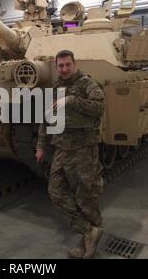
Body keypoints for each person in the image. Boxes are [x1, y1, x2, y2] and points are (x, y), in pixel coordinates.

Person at [35, 50, 105, 259]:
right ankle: (89, 231)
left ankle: (86, 245)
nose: (64, 69)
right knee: (56, 192)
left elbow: (99, 108)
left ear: (74, 64)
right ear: (56, 66)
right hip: (62, 149)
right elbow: (45, 120)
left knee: (86, 197)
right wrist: (41, 146)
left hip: (83, 149)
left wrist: (72, 100)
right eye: (61, 66)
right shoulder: (55, 88)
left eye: (68, 65)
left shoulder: (87, 85)